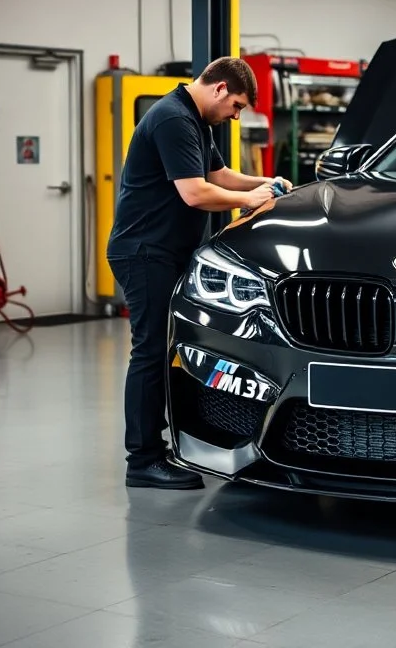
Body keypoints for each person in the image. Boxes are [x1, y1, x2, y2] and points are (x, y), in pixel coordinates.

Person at [106, 57, 290, 489]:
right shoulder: (173, 118)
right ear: (220, 88)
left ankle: (163, 445)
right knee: (150, 352)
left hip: (164, 253)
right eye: (237, 106)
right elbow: (195, 192)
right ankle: (143, 460)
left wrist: (265, 183)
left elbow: (217, 174)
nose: (236, 116)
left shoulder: (194, 119)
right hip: (144, 252)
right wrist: (249, 201)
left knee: (165, 350)